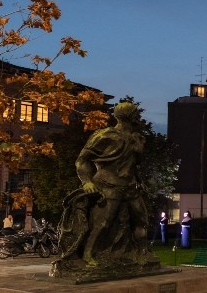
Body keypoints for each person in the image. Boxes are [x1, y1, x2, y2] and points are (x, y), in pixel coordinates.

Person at [51, 102, 159, 277]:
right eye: (136, 114)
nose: (138, 117)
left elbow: (133, 164)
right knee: (103, 223)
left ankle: (142, 253)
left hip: (130, 186)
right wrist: (86, 182)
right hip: (109, 184)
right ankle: (88, 255)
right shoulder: (105, 135)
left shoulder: (137, 137)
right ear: (130, 116)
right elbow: (82, 160)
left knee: (141, 220)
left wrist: (139, 150)